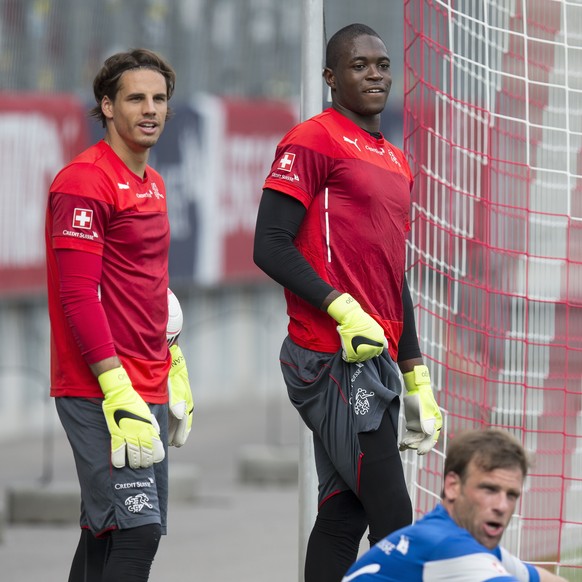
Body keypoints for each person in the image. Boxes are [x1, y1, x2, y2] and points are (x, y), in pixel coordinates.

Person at [253, 23, 442, 582]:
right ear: (331, 77)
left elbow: (391, 275)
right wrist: (340, 306)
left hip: (375, 359)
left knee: (344, 514)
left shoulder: (396, 160)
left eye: (382, 64)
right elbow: (269, 243)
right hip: (329, 354)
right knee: (395, 517)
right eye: (359, 65)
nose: (376, 74)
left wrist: (416, 375)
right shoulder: (313, 138)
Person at [45, 48, 193, 582]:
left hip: (146, 380)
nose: (149, 109)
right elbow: (78, 297)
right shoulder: (84, 181)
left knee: (104, 533)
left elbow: (142, 289)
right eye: (135, 98)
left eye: (159, 99)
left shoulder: (151, 181)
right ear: (106, 106)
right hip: (100, 390)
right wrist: (116, 388)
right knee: (137, 532)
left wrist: (171, 361)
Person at [341, 429, 568, 581]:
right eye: (489, 489)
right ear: (452, 486)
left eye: (511, 495)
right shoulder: (447, 548)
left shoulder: (449, 538)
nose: (502, 506)